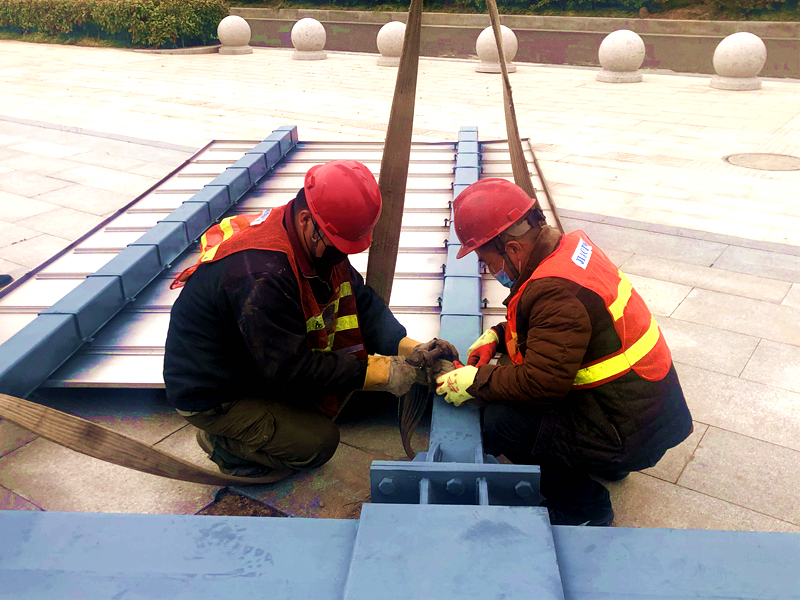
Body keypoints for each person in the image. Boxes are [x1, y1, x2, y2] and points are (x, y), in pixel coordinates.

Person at [164, 160, 456, 479]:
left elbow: (359, 300)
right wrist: (383, 372)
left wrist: (407, 347)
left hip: (258, 360)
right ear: (306, 220)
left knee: (325, 395)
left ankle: (263, 419)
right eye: (339, 246)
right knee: (316, 442)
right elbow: (291, 370)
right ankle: (222, 442)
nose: (342, 256)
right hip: (216, 391)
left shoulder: (311, 236)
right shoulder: (262, 275)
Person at [435, 178, 693, 526]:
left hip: (629, 433)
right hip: (645, 415)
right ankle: (606, 463)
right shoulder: (569, 250)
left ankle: (583, 507)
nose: (490, 271)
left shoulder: (555, 290)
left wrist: (476, 380)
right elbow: (563, 329)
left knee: (502, 422)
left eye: (487, 261)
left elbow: (542, 383)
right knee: (513, 394)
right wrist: (497, 335)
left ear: (512, 249)